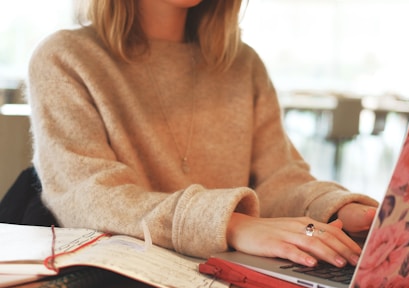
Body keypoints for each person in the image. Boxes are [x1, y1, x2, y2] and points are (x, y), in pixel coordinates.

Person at [27, 0, 378, 268]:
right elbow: (90, 197)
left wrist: (337, 211)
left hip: (234, 284)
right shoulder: (65, 58)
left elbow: (277, 179)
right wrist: (231, 225)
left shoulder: (243, 65)